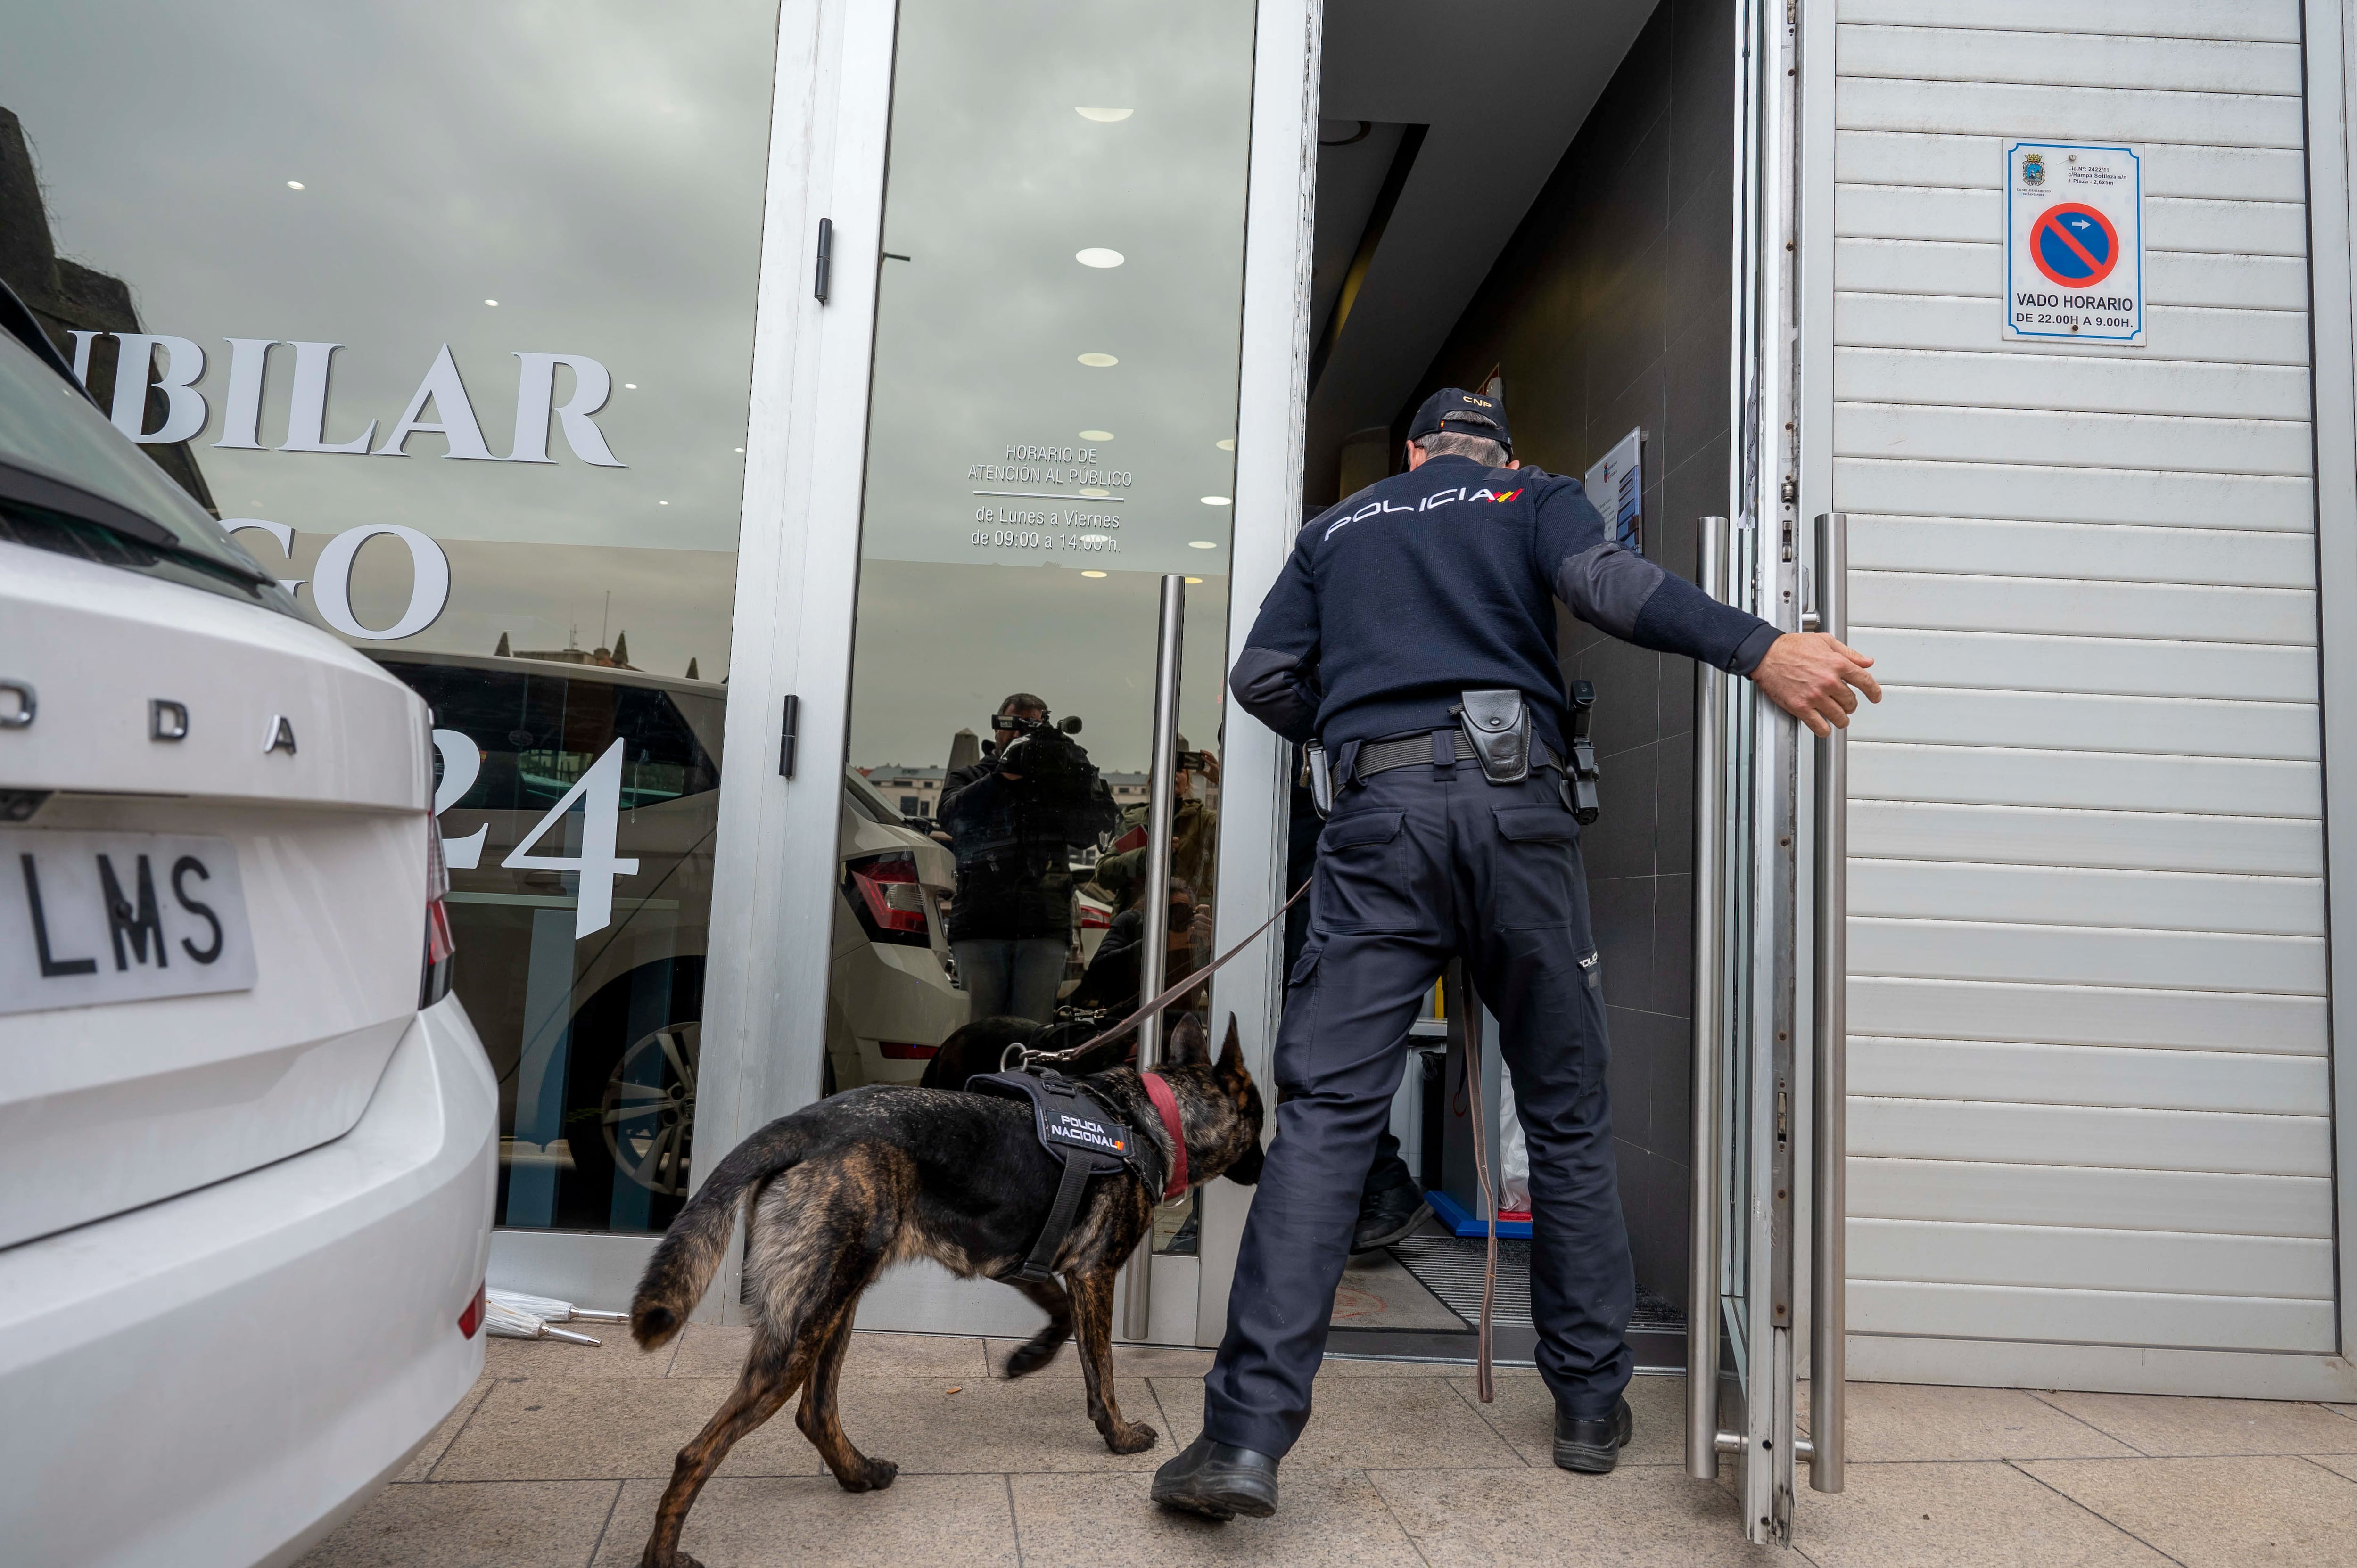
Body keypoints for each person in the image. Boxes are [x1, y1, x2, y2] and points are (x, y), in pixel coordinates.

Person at [1151, 388, 1879, 1518]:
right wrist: (1760, 646)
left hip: (1379, 819)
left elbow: (1258, 678)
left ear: (1408, 454)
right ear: (1505, 452)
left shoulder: (1337, 529)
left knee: (1329, 1122)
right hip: (1515, 810)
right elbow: (1605, 585)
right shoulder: (1530, 498)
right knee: (1566, 1110)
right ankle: (1591, 1407)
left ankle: (1243, 1440)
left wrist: (1354, 729)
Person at [937, 693, 1117, 1025]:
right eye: (1015, 727)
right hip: (981, 925)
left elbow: (1092, 831)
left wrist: (1073, 774)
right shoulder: (972, 776)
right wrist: (1002, 777)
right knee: (981, 1030)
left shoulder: (1056, 779)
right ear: (998, 731)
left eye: (1031, 728)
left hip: (1043, 927)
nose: (1021, 736)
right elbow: (950, 817)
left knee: (1033, 1031)